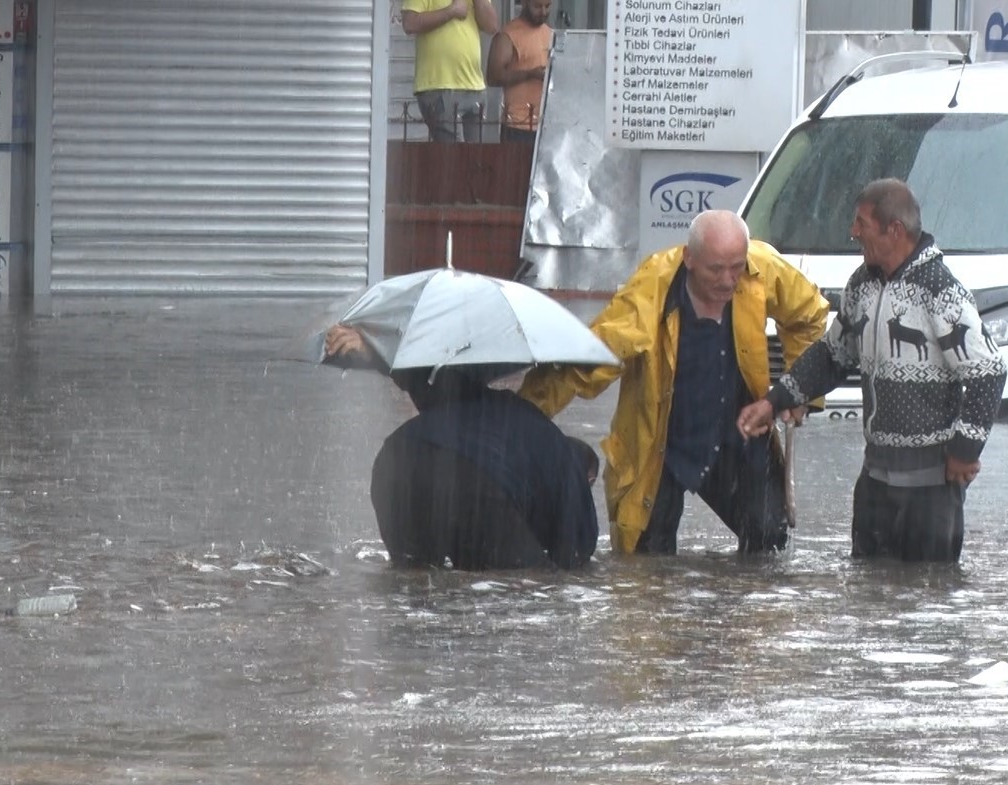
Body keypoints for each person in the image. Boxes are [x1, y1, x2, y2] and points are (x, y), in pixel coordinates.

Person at [518, 210, 830, 556]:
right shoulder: (651, 290)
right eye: (715, 269)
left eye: (736, 268)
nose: (728, 280)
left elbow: (810, 316)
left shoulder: (762, 267)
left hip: (738, 437)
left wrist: (797, 391)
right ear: (689, 258)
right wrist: (522, 415)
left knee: (771, 546)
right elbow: (588, 361)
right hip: (663, 446)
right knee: (647, 566)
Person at [736, 178, 1008, 563]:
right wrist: (777, 399)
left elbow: (989, 373)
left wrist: (964, 452)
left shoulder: (940, 290)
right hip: (875, 485)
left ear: (893, 230)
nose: (853, 232)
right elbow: (832, 356)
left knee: (929, 605)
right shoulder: (861, 285)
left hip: (930, 491)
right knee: (869, 601)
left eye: (861, 223)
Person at [325, 325, 599, 570]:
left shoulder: (493, 411)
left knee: (413, 583)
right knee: (517, 589)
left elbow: (429, 378)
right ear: (588, 476)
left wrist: (374, 349)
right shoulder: (567, 468)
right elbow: (577, 551)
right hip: (474, 485)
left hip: (396, 461)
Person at [402, 0, 499, 143]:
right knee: (452, 158)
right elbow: (410, 22)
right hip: (439, 86)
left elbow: (491, 26)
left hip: (474, 85)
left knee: (476, 159)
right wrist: (450, 11)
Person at [485, 0, 552, 145]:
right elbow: (493, 77)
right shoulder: (507, 35)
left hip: (545, 124)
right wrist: (530, 74)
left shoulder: (549, 33)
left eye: (547, 6)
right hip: (518, 124)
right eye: (537, 6)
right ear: (524, 3)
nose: (543, 12)